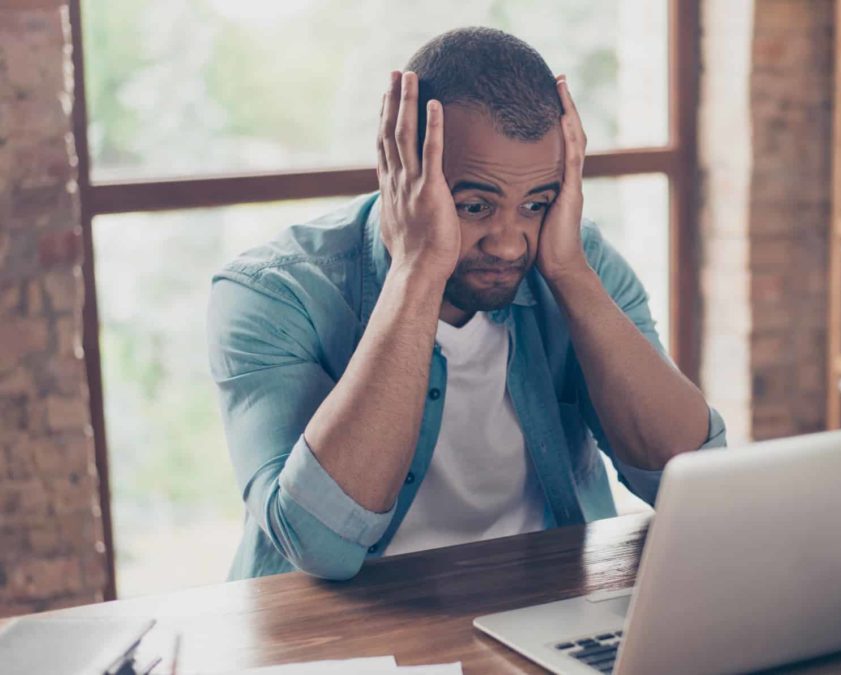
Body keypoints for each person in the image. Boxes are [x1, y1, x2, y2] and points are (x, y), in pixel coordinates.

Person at [207, 27, 725, 581]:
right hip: (347, 636)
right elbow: (320, 548)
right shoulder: (271, 293)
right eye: (474, 205)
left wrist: (571, 275)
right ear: (398, 168)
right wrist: (416, 272)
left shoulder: (575, 259)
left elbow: (692, 483)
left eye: (535, 203)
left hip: (542, 609)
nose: (508, 242)